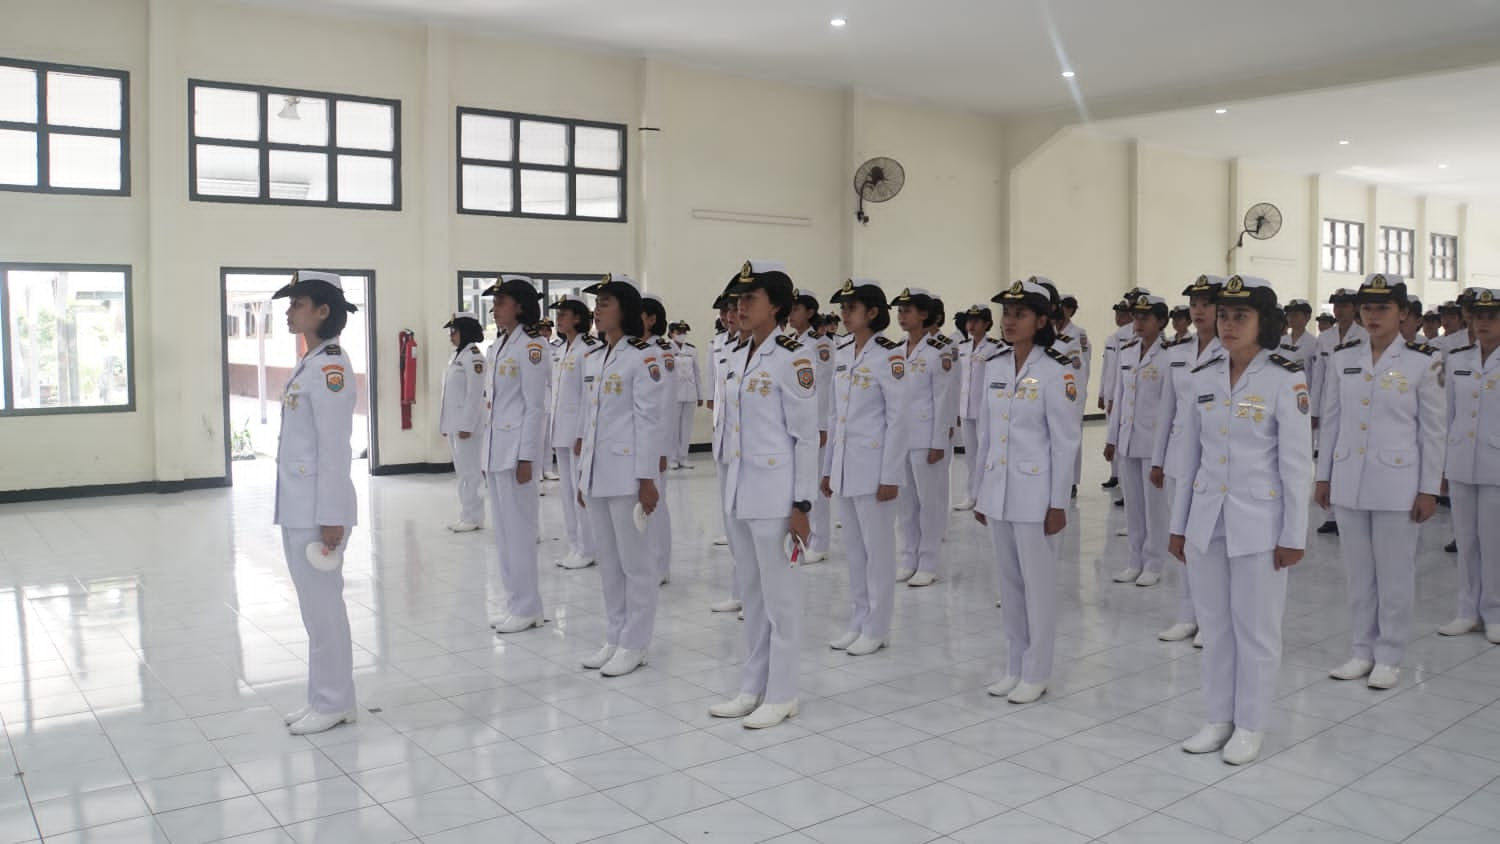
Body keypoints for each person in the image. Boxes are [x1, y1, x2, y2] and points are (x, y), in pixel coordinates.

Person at [1169, 273, 1311, 765]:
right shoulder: (1203, 376)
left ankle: (1250, 724)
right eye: (1223, 315)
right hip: (1209, 518)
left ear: (1264, 323)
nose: (1228, 325)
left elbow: (1296, 465)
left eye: (1240, 317)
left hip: (1260, 521)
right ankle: (1217, 718)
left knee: (1256, 629)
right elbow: (1187, 456)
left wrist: (1294, 534)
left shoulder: (1284, 377)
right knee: (1215, 625)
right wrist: (1178, 524)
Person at [1317, 273, 1444, 690]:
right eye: (1367, 308)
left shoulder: (1423, 363)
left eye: (1382, 308)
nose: (1372, 315)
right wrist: (1325, 478)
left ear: (1402, 313)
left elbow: (1432, 431)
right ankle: (1361, 649)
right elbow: (1332, 421)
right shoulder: (1342, 359)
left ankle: (1389, 654)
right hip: (1350, 479)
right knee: (1358, 573)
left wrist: (1428, 487)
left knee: (1394, 574)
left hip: (1398, 484)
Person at [707, 261, 818, 728]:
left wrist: (802, 505)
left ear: (775, 306)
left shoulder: (793, 357)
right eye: (737, 300)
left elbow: (807, 437)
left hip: (776, 496)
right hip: (740, 489)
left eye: (749, 300)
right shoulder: (737, 354)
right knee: (752, 596)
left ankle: (784, 692)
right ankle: (753, 685)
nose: (739, 307)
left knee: (781, 599)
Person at [970, 279, 1080, 704]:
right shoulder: (995, 366)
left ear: (1041, 320)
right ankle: (1014, 664)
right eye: (1007, 314)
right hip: (998, 491)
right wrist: (981, 490)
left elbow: (1065, 442)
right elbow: (985, 434)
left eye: (1019, 315)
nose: (1010, 322)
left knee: (1038, 587)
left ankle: (1037, 670)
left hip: (1036, 496)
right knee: (1009, 586)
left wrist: (1058, 502)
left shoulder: (1057, 370)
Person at [272, 270, 359, 735]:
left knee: (324, 609)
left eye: (298, 303)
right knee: (314, 610)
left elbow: (335, 449)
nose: (289, 311)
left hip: (316, 511)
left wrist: (332, 518)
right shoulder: (311, 362)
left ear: (323, 311)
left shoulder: (331, 368)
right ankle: (322, 696)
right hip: (299, 505)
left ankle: (335, 701)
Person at [574, 273, 665, 676]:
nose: (597, 309)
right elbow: (589, 421)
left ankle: (636, 642)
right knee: (608, 563)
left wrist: (647, 478)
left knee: (635, 564)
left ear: (625, 310)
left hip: (628, 475)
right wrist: (581, 476)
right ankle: (614, 635)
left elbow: (649, 421)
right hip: (597, 473)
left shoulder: (644, 356)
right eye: (597, 302)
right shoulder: (593, 357)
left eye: (606, 302)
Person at [824, 278, 908, 656]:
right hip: (845, 466)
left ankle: (878, 626)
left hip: (874, 470)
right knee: (855, 552)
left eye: (851, 308)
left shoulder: (888, 356)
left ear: (873, 312)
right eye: (842, 308)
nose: (844, 314)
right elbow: (834, 415)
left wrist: (890, 476)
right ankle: (858, 618)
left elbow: (899, 420)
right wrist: (827, 469)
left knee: (878, 553)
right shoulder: (843, 351)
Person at [1152, 276, 1225, 643]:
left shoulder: (1231, 354)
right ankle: (1186, 612)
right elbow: (1167, 410)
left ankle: (1211, 617)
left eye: (1206, 303)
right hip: (1180, 456)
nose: (1198, 310)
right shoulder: (1177, 353)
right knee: (1180, 536)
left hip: (1215, 460)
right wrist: (1156, 459)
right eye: (1194, 303)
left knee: (1209, 540)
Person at [480, 275, 550, 635]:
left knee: (520, 533)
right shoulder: (498, 347)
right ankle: (516, 603)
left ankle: (527, 606)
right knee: (504, 534)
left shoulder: (532, 348)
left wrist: (528, 457)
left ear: (520, 306)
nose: (495, 306)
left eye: (502, 300)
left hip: (516, 454)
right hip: (496, 451)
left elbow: (535, 408)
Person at [1439, 287, 1500, 642]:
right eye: (1479, 316)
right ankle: (1467, 609)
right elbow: (1447, 415)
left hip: (1496, 465)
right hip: (1462, 459)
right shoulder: (1458, 359)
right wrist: (1442, 467)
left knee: (1494, 542)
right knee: (1466, 539)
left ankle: (1494, 611)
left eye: (1492, 317)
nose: (1484, 323)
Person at [891, 287, 956, 587]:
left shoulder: (940, 350)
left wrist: (938, 442)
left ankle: (928, 561)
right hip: (901, 437)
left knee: (929, 502)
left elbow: (944, 399)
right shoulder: (896, 350)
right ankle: (908, 558)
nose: (902, 316)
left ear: (924, 315)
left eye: (908, 310)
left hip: (927, 435)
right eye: (900, 311)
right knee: (906, 503)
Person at [1106, 295, 1172, 586]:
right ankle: (1134, 559)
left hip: (1154, 442)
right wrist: (1111, 438)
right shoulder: (1128, 351)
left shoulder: (1170, 355)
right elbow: (1119, 398)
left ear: (1160, 321)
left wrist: (1164, 452)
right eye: (1136, 317)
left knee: (1155, 507)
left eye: (1145, 318)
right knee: (1133, 504)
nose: (1139, 323)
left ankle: (1154, 562)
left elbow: (1171, 406)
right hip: (1127, 439)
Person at [548, 296, 598, 569]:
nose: (559, 318)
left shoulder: (588, 349)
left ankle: (588, 547)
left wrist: (582, 434)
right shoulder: (560, 349)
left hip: (577, 433)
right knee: (566, 492)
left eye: (564, 314)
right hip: (560, 430)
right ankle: (574, 545)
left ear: (578, 318)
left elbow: (588, 397)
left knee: (581, 493)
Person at [1312, 288, 1367, 535]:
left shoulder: (1365, 336)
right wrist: (1314, 409)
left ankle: (1349, 502)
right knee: (1328, 453)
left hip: (1355, 406)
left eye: (1345, 305)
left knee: (1349, 454)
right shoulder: (1325, 338)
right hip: (1329, 405)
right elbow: (1318, 376)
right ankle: (1331, 515)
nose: (1340, 310)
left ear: (1354, 308)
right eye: (1337, 305)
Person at [787, 289, 834, 563]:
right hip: (798, 423)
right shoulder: (792, 342)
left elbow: (824, 386)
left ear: (810, 312)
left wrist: (821, 424)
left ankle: (820, 541)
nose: (791, 314)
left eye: (797, 309)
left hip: (815, 423)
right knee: (800, 481)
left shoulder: (820, 345)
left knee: (816, 484)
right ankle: (803, 536)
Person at [439, 312, 487, 533]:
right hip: (455, 425)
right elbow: (450, 395)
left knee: (471, 473)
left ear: (465, 331)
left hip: (467, 427)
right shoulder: (457, 356)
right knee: (463, 472)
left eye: (454, 331)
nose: (451, 336)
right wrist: (446, 425)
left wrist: (467, 426)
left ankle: (474, 516)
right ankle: (466, 514)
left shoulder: (474, 357)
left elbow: (475, 395)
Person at [642, 293, 676, 585]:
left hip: (657, 443)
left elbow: (665, 403)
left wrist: (663, 448)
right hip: (640, 444)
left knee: (657, 504)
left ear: (651, 319)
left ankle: (660, 564)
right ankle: (647, 561)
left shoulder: (662, 351)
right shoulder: (636, 350)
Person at [954, 305, 1002, 511]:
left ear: (987, 324)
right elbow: (958, 380)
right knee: (971, 455)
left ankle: (988, 493)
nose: (971, 325)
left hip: (986, 410)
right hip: (966, 409)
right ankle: (972, 495)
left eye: (976, 321)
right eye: (969, 321)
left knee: (987, 454)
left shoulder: (995, 347)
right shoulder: (962, 347)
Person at [1099, 298, 1136, 495]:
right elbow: (1108, 370)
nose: (1119, 316)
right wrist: (1102, 394)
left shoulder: (1130, 336)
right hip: (1112, 394)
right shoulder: (1113, 337)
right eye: (1117, 312)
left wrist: (1114, 398)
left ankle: (1123, 483)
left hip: (1122, 396)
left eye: (1123, 312)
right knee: (1113, 437)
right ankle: (1116, 475)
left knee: (1123, 440)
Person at [669, 321, 705, 470]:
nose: (682, 335)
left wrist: (700, 394)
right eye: (679, 332)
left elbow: (697, 372)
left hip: (690, 392)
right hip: (673, 394)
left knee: (686, 427)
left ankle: (683, 457)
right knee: (673, 427)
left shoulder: (691, 349)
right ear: (671, 333)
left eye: (684, 332)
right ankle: (672, 458)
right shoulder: (666, 348)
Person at [1280, 299, 1318, 375]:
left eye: (1295, 315)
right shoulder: (1281, 341)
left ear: (1307, 317)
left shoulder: (1314, 343)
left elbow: (1316, 374)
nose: (1290, 318)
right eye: (1289, 315)